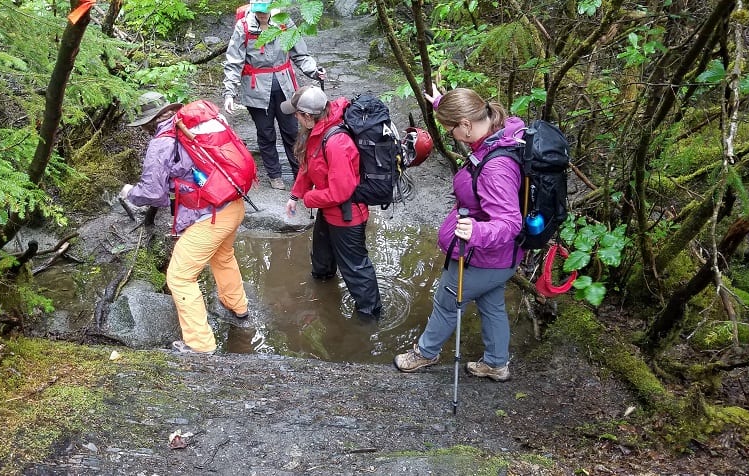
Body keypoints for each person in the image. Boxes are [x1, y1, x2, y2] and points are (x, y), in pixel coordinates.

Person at [393, 86, 524, 381]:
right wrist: (443, 103)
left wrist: (477, 231)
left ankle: (425, 353)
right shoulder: (497, 129)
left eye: (451, 128)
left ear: (466, 125)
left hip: (483, 256)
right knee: (491, 305)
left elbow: (510, 222)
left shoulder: (496, 169)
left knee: (447, 301)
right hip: (502, 258)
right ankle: (496, 363)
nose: (450, 134)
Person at [120, 91, 249, 355]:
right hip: (234, 203)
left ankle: (200, 345)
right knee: (223, 256)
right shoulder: (199, 126)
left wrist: (129, 193)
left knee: (179, 277)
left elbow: (153, 193)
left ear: (149, 122)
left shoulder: (163, 142)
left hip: (211, 217)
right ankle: (238, 307)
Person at [282, 85, 382, 318]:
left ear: (308, 116)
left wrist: (308, 198)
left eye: (297, 113)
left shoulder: (337, 142)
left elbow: (341, 192)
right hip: (328, 211)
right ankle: (323, 284)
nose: (295, 117)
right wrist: (295, 195)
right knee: (322, 257)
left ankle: (370, 315)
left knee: (356, 268)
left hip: (347, 216)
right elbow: (308, 167)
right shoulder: (317, 130)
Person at [222, 0, 326, 191]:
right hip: (256, 91)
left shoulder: (284, 22)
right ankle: (274, 174)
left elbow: (300, 54)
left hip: (286, 88)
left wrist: (314, 71)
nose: (262, 15)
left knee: (292, 131)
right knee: (265, 132)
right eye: (259, 12)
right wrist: (230, 93)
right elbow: (234, 62)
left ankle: (300, 173)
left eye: (265, 11)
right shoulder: (243, 27)